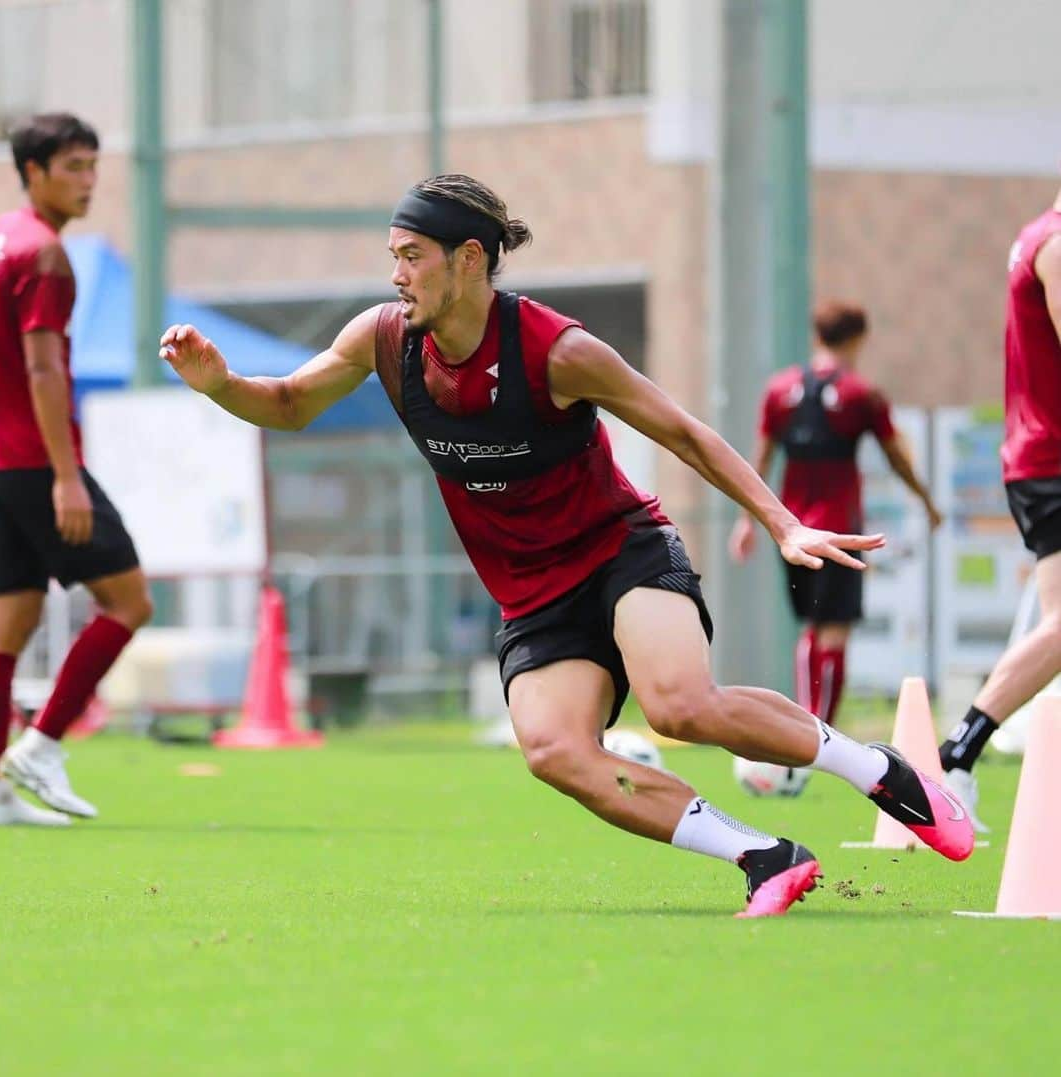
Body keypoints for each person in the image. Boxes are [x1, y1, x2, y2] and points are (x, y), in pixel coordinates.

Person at [160, 174, 972, 916]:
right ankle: (762, 854)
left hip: (622, 552)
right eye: (392, 257)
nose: (397, 274)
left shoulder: (558, 350)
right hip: (532, 594)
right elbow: (292, 402)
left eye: (412, 256)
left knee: (681, 705)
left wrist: (781, 520)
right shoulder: (384, 340)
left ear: (469, 259)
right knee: (552, 750)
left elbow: (684, 433)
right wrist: (221, 385)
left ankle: (881, 773)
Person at [0, 113, 152, 826]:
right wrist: (66, 474)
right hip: (33, 460)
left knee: (8, 623)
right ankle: (43, 742)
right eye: (73, 167)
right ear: (33, 171)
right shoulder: (46, 256)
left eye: (93, 166)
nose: (88, 181)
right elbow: (44, 367)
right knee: (128, 601)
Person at [729, 301, 942, 729]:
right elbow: (897, 456)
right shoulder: (860, 394)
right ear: (859, 338)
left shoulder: (779, 389)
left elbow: (760, 458)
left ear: (816, 337)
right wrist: (926, 501)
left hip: (790, 527)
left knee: (812, 626)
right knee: (835, 629)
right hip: (837, 528)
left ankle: (808, 724)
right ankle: (818, 733)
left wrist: (748, 519)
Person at [937, 189, 1061, 833]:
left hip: (1039, 457)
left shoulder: (1036, 234)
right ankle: (958, 751)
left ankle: (959, 753)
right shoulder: (1058, 243)